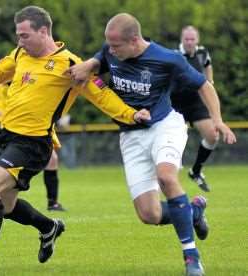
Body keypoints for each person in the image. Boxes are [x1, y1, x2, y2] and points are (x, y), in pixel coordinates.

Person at [0, 6, 150, 275]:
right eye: (18, 35)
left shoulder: (70, 64)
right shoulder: (20, 54)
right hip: (7, 137)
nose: (20, 41)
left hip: (32, 143)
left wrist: (131, 114)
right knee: (6, 206)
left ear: (44, 31)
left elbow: (102, 95)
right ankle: (49, 227)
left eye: (24, 35)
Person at [66, 13, 237, 276]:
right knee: (150, 214)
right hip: (131, 136)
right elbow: (99, 58)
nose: (110, 50)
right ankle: (192, 212)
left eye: (115, 46)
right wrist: (88, 65)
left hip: (164, 126)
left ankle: (191, 257)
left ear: (134, 40)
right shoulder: (111, 52)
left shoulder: (168, 59)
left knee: (166, 177)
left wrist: (218, 120)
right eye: (108, 45)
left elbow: (204, 85)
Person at [0, 85, 67, 211]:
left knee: (52, 160)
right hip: (0, 124)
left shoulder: (23, 82)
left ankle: (52, 203)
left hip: (28, 125)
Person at [171, 26, 218, 192]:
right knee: (174, 142)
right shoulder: (174, 55)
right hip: (176, 105)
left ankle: (196, 171)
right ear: (182, 40)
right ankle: (170, 178)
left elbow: (207, 65)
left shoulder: (203, 53)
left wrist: (210, 84)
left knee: (213, 136)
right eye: (187, 39)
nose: (190, 42)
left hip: (196, 103)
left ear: (197, 40)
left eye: (193, 39)